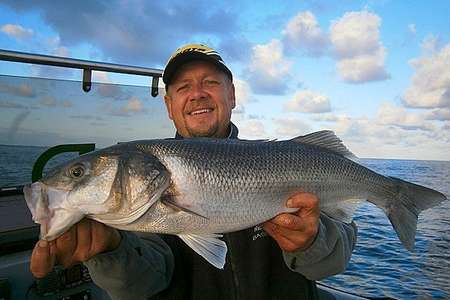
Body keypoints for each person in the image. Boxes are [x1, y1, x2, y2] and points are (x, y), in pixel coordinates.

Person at [30, 44, 357, 300]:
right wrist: (111, 252)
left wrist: (310, 242)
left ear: (232, 96)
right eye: (183, 86)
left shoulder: (287, 158)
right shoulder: (126, 211)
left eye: (210, 83)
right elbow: (144, 284)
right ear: (170, 106)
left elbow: (334, 261)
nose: (197, 93)